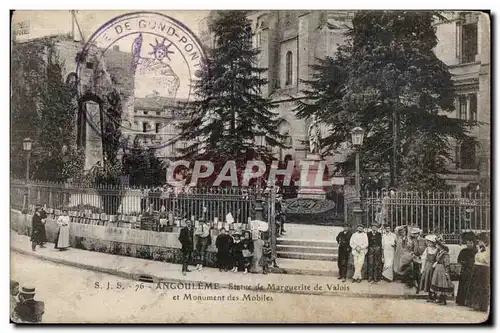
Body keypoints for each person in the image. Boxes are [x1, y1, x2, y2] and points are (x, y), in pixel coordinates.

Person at [465, 233, 490, 312]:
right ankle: (475, 304)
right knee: (475, 286)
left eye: (480, 241)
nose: (478, 243)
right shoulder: (480, 249)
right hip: (476, 268)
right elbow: (476, 259)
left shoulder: (488, 250)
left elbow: (485, 260)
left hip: (483, 269)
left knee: (482, 287)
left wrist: (479, 252)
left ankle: (482, 305)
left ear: (484, 242)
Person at [430, 240, 454, 305]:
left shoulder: (445, 254)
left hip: (442, 269)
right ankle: (439, 298)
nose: (436, 246)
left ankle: (443, 299)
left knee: (442, 284)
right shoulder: (439, 252)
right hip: (437, 269)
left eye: (437, 245)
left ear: (440, 246)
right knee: (437, 283)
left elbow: (447, 263)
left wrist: (446, 272)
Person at [455, 235, 477, 306]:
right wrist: (462, 263)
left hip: (472, 270)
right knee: (462, 285)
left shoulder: (476, 251)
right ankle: (461, 301)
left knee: (470, 286)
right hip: (464, 270)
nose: (469, 244)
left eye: (470, 243)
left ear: (473, 243)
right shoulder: (463, 251)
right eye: (467, 243)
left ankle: (469, 302)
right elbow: (459, 260)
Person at [419, 234, 438, 301]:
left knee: (434, 281)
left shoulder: (437, 250)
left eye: (431, 242)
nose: (430, 244)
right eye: (428, 242)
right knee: (428, 281)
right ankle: (429, 296)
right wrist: (422, 268)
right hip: (427, 266)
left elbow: (438, 258)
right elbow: (423, 259)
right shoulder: (427, 249)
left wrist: (436, 263)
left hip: (434, 267)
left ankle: (435, 295)